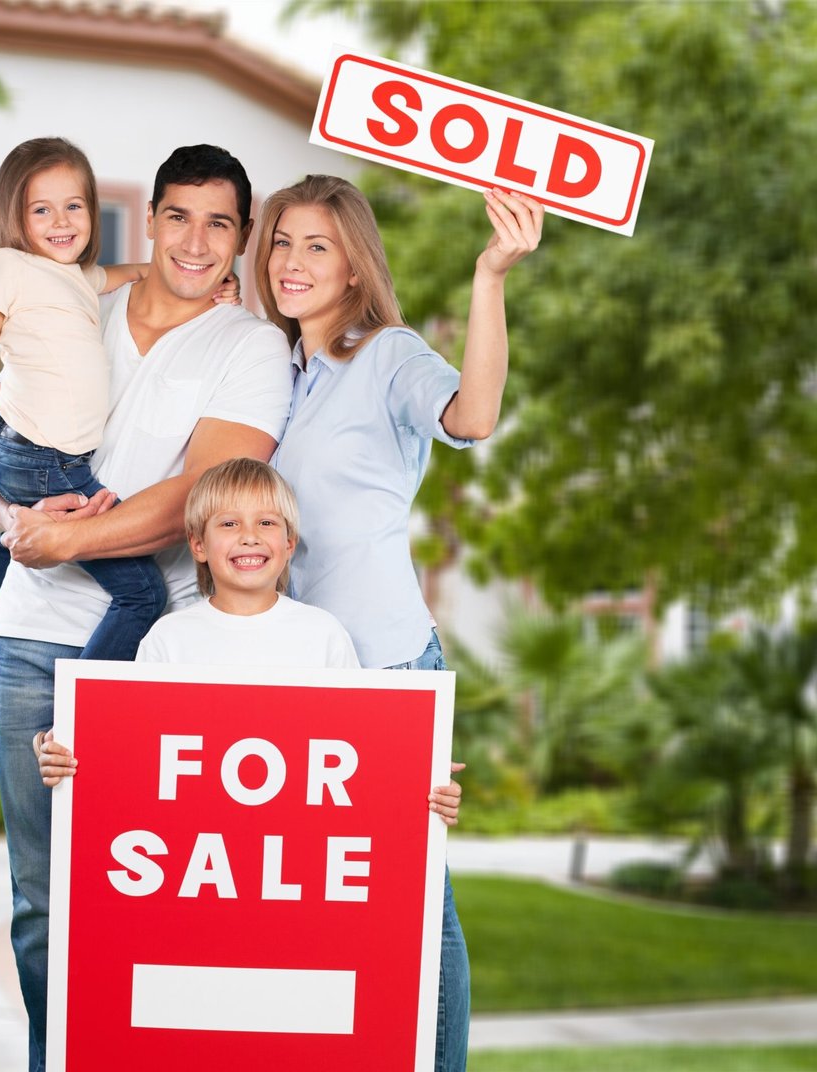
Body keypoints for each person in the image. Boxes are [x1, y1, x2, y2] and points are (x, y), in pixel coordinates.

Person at [0, 145, 293, 1072]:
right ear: (148, 220)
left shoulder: (250, 345)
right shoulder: (82, 308)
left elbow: (202, 493)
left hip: (168, 650)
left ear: (242, 238)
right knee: (42, 899)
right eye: (178, 216)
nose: (195, 241)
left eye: (219, 223)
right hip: (35, 640)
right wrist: (16, 520)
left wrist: (65, 539)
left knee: (162, 897)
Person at [254, 174, 543, 1072]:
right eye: (282, 242)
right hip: (294, 674)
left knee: (414, 900)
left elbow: (473, 415)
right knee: (317, 901)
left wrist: (490, 277)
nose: (293, 261)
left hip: (382, 670)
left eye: (318, 246)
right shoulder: (279, 370)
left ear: (354, 268)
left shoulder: (388, 354)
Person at [0, 137, 238, 689]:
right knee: (143, 594)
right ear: (14, 217)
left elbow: (136, 272)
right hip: (39, 454)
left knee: (23, 534)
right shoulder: (5, 266)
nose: (62, 221)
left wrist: (215, 279)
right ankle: (76, 712)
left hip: (37, 451)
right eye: (41, 210)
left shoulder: (78, 278)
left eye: (74, 206)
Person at [33, 456, 464, 830]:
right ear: (198, 545)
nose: (249, 536)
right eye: (229, 523)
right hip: (197, 843)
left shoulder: (323, 635)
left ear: (289, 544)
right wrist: (63, 756)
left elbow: (354, 751)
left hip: (294, 842)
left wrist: (415, 778)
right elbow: (137, 757)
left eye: (267, 523)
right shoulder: (168, 640)